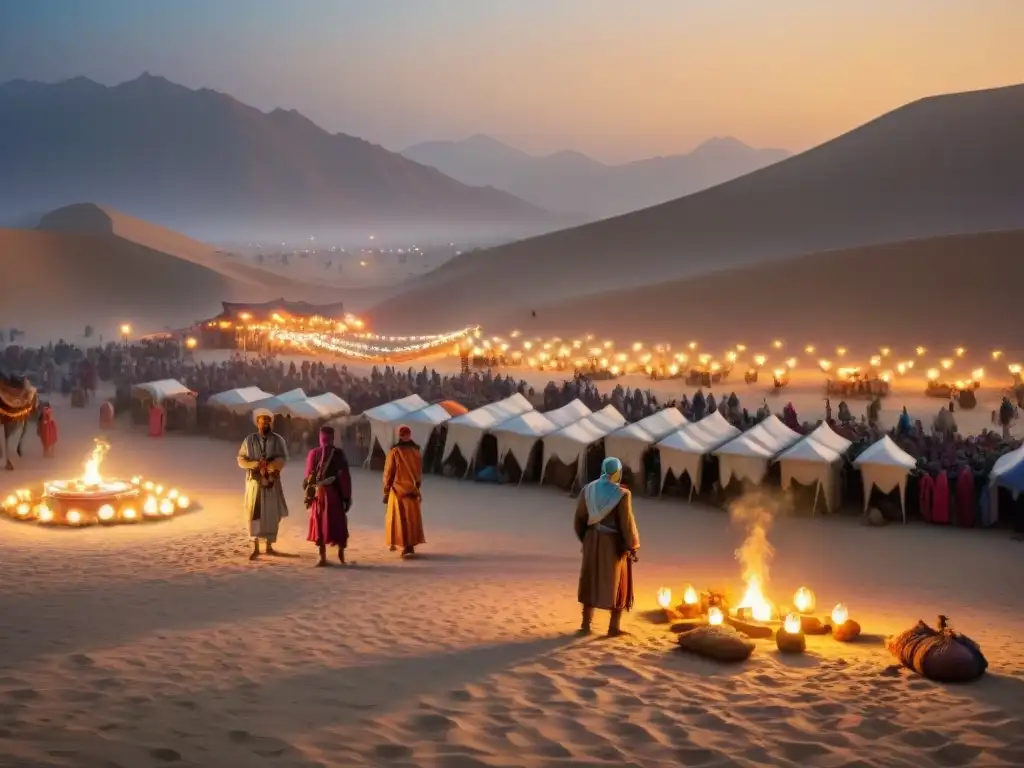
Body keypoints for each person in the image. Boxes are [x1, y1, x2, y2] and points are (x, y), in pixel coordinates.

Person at [574, 456, 640, 637]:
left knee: (589, 580)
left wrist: (586, 540)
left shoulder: (588, 490)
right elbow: (626, 523)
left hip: (591, 539)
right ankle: (613, 627)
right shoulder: (621, 494)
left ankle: (586, 625)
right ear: (617, 473)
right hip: (612, 544)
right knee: (619, 583)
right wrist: (632, 545)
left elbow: (579, 519)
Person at [237, 408, 289, 560]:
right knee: (254, 513)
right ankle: (255, 547)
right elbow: (241, 459)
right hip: (255, 483)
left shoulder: (278, 440)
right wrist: (254, 464)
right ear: (257, 422)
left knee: (271, 514)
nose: (264, 423)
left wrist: (272, 466)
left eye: (267, 420)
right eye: (262, 420)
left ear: (270, 423)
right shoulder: (249, 440)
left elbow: (283, 458)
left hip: (272, 482)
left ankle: (269, 546)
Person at [304, 425, 352, 566]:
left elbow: (308, 477)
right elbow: (345, 478)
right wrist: (346, 497)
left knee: (319, 522)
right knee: (337, 522)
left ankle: (322, 555)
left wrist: (308, 495)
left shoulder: (314, 453)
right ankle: (341, 553)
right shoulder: (339, 454)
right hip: (334, 494)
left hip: (319, 495)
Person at [383, 424, 426, 557]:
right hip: (412, 490)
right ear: (410, 435)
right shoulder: (417, 451)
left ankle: (403, 545)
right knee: (412, 519)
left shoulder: (395, 451)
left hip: (398, 490)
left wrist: (385, 491)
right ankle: (410, 546)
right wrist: (417, 487)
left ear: (399, 435)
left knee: (399, 519)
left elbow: (389, 472)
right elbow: (419, 473)